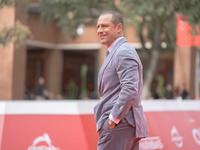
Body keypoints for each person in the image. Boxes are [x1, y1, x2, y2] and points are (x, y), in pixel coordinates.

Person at [94, 11, 148, 150]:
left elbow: (130, 88)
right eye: (98, 26)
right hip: (123, 125)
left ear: (119, 28)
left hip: (119, 125)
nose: (100, 30)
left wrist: (113, 118)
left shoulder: (123, 51)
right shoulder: (114, 52)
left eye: (104, 26)